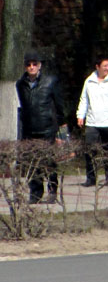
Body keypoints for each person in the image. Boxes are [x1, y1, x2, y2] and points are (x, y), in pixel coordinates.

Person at [15, 53, 65, 203]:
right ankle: (35, 193)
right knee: (32, 163)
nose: (31, 67)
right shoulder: (20, 84)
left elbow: (59, 106)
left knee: (49, 161)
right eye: (28, 64)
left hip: (47, 128)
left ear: (39, 65)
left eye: (34, 64)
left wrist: (60, 129)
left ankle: (52, 190)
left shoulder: (50, 82)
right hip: (29, 129)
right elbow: (23, 107)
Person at [76, 55, 108, 187]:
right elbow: (84, 99)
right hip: (92, 122)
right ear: (97, 67)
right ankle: (91, 178)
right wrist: (80, 115)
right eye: (105, 66)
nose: (107, 68)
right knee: (89, 150)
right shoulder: (89, 81)